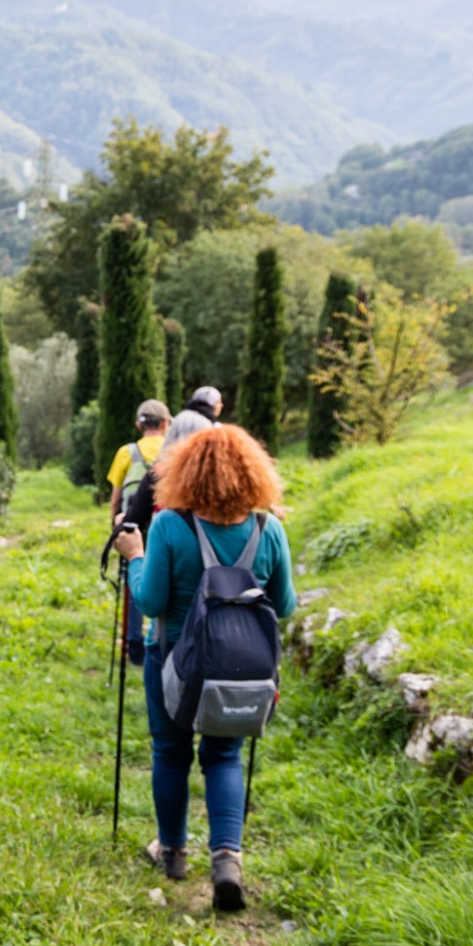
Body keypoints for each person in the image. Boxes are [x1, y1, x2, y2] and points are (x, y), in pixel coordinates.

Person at [112, 424, 295, 912]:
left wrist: (134, 557)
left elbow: (151, 602)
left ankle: (171, 852)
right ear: (253, 474)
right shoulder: (268, 528)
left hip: (174, 661)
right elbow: (286, 605)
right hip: (243, 671)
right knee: (224, 756)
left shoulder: (172, 525)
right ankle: (227, 861)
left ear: (186, 472)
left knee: (170, 753)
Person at [106, 399, 169, 523]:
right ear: (165, 423)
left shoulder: (126, 452)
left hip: (133, 525)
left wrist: (116, 528)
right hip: (163, 526)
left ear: (139, 425)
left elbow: (115, 500)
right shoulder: (173, 450)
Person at [158, 386, 222, 461]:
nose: (221, 405)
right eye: (218, 402)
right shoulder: (202, 422)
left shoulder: (181, 416)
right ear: (211, 404)